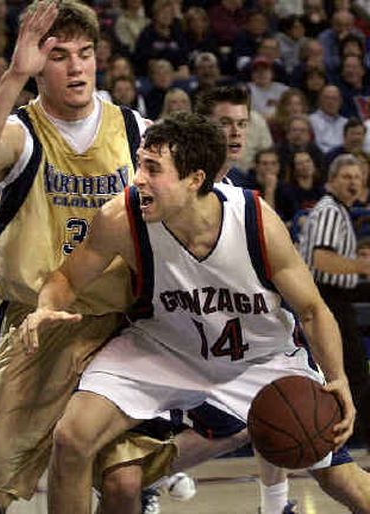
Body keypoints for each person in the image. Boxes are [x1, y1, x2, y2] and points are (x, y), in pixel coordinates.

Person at [18, 112, 357, 514]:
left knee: (338, 476)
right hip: (162, 349)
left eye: (152, 169)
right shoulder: (122, 217)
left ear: (195, 179)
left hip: (256, 359)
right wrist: (44, 307)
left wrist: (337, 378)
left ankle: (246, 450)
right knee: (72, 437)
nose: (138, 178)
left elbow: (313, 310)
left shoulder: (255, 220)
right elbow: (67, 278)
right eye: (140, 163)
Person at [0, 1, 174, 512]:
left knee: (125, 483)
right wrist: (15, 74)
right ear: (38, 65)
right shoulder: (21, 132)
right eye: (59, 56)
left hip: (118, 327)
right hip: (37, 327)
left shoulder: (136, 132)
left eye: (85, 54)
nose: (77, 66)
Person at [299, 153, 370, 445]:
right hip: (324, 298)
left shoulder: (338, 211)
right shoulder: (330, 211)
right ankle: (353, 438)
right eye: (346, 177)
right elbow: (321, 259)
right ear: (331, 180)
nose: (353, 182)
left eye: (357, 177)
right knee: (351, 370)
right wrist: (361, 266)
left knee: (350, 369)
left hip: (334, 296)